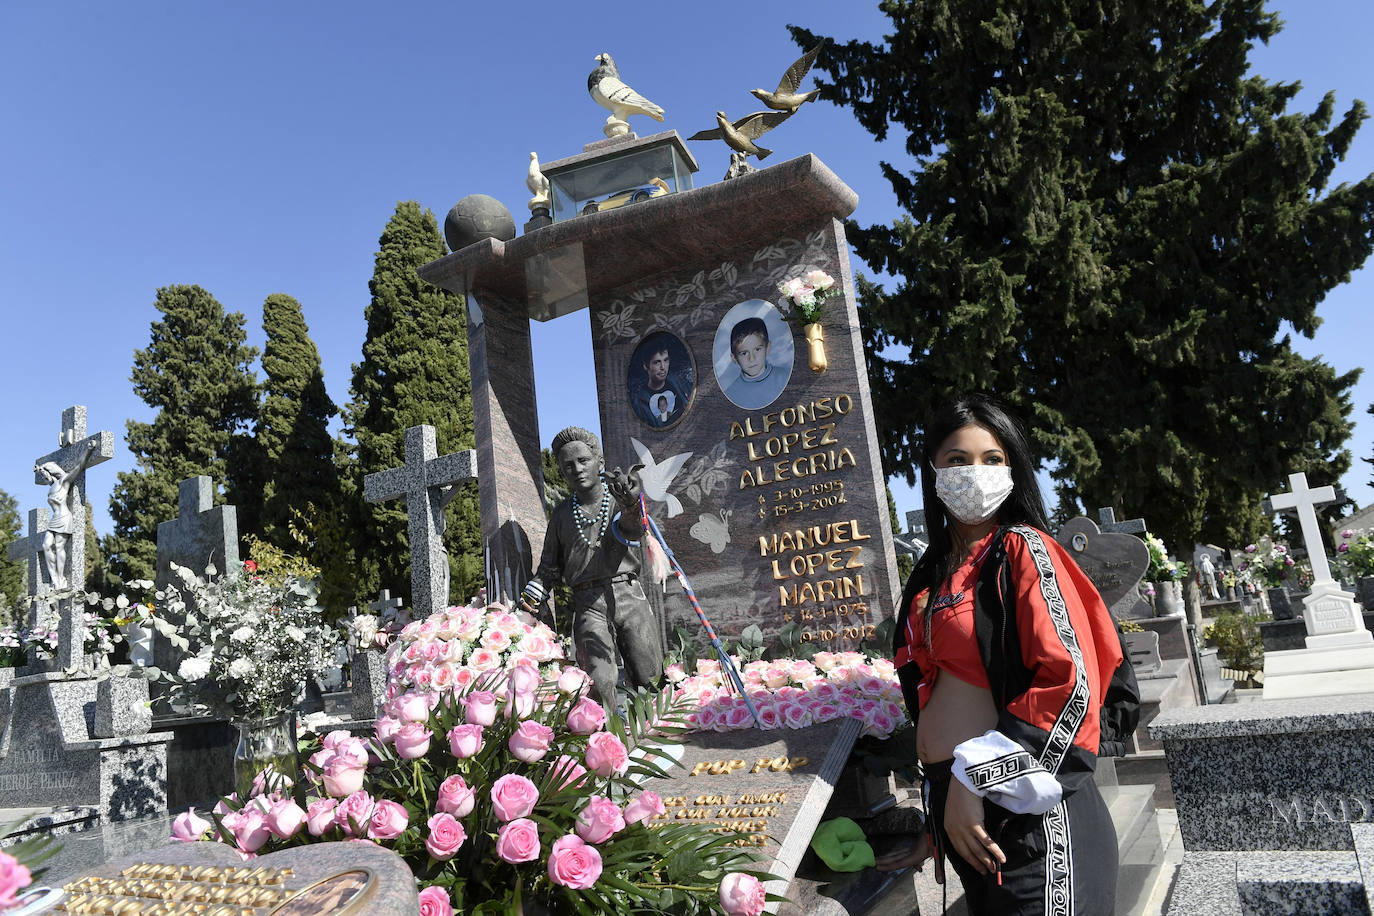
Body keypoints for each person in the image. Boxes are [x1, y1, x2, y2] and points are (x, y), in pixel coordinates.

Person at [877, 394, 1133, 915]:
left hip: (1030, 816)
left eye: (992, 459)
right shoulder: (930, 576)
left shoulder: (1022, 549)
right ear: (932, 472)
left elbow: (1069, 684)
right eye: (956, 460)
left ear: (1013, 468)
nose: (975, 472)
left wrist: (973, 780)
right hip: (964, 815)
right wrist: (940, 802)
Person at [519, 426, 663, 707]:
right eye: (567, 465)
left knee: (649, 674)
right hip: (587, 603)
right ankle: (608, 744)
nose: (577, 469)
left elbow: (633, 530)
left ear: (600, 462)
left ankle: (657, 735)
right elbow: (549, 566)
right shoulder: (561, 516)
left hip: (627, 594)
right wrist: (532, 597)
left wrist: (632, 504)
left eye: (583, 461)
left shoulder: (618, 500)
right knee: (599, 680)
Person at [36, 440, 99, 590]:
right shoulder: (51, 488)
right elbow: (44, 475)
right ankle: (55, 578)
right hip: (54, 519)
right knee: (46, 546)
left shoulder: (64, 481)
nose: (45, 478)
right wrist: (39, 470)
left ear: (53, 472)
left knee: (58, 546)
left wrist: (89, 450)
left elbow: (78, 466)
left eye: (46, 474)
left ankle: (61, 578)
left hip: (64, 517)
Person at [721, 316, 788, 409]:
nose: (751, 358)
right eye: (744, 353)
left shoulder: (784, 377)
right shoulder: (731, 394)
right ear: (734, 358)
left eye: (757, 349)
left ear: (768, 348)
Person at [629, 334, 693, 427]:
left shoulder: (679, 382)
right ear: (646, 366)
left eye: (666, 360)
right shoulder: (639, 401)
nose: (663, 367)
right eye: (657, 362)